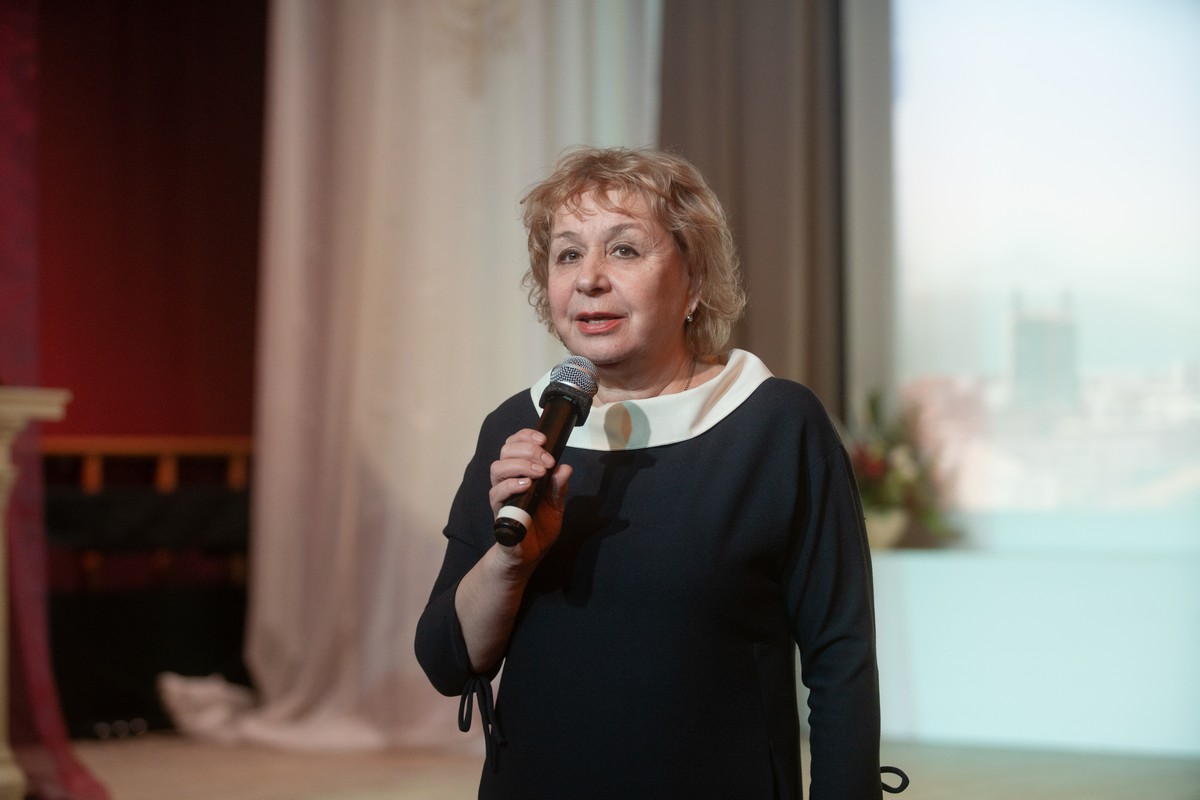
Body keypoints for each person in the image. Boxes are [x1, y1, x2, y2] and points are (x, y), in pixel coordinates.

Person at [415, 146, 906, 799]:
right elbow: (447, 662)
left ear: (694, 280)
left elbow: (840, 655)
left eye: (624, 250)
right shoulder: (519, 428)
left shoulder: (776, 425)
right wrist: (509, 564)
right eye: (567, 255)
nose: (590, 278)